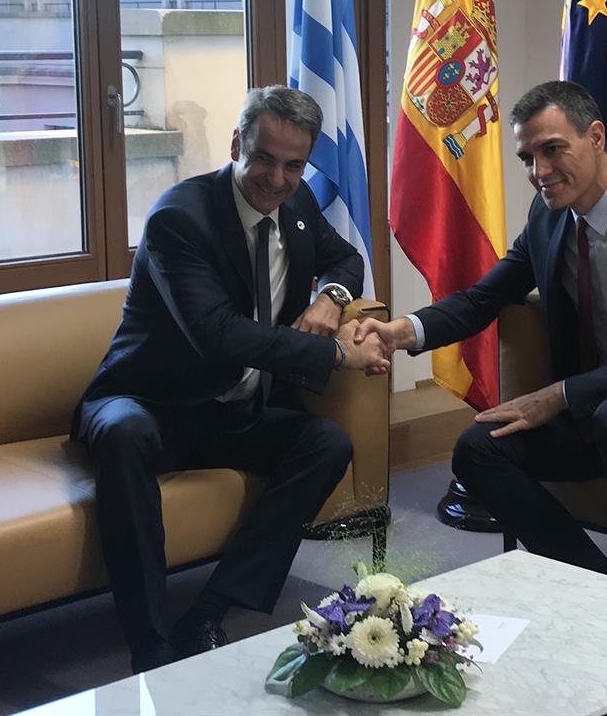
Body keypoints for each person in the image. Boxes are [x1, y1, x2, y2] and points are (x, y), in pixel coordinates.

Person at [357, 80, 607, 590]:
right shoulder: (549, 218)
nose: (539, 172)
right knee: (478, 448)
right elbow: (484, 298)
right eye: (527, 158)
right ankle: (596, 589)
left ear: (596, 137)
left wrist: (558, 396)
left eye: (553, 150)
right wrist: (403, 332)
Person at [72, 85, 390, 673]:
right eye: (264, 158)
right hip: (146, 401)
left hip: (228, 414)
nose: (276, 178)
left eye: (294, 165)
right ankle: (152, 646)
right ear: (237, 143)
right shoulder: (179, 218)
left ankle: (212, 610)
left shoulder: (297, 208)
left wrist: (331, 297)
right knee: (124, 435)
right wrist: (335, 356)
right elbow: (217, 334)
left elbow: (345, 258)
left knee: (326, 442)